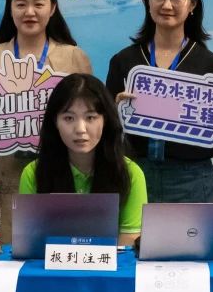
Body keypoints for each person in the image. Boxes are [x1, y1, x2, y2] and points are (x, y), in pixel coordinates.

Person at [0, 0, 92, 242]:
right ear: (10, 9)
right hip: (1, 172)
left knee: (56, 250)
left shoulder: (74, 57)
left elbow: (90, 116)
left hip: (58, 169)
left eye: (38, 4)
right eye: (21, 4)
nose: (29, 12)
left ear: (52, 8)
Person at [105, 0, 213, 202]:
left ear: (192, 4)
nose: (167, 5)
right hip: (136, 173)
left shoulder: (212, 65)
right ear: (147, 2)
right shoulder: (124, 61)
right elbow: (104, 125)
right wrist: (115, 110)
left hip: (192, 178)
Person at [20, 74, 147, 246]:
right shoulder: (33, 173)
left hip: (110, 264)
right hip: (50, 263)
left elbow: (127, 245)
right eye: (69, 118)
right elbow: (30, 244)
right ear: (55, 122)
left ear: (105, 120)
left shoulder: (130, 173)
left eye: (90, 117)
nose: (80, 129)